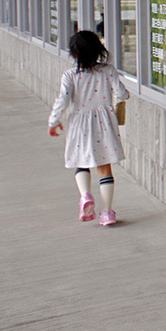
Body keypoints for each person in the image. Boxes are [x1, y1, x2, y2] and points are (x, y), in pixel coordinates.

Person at [47, 30, 130, 225]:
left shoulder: (70, 75)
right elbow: (121, 93)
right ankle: (107, 212)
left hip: (79, 123)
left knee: (81, 162)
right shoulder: (108, 71)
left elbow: (63, 100)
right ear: (98, 49)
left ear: (74, 53)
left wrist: (54, 121)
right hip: (104, 123)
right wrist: (124, 97)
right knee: (104, 167)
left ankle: (85, 196)